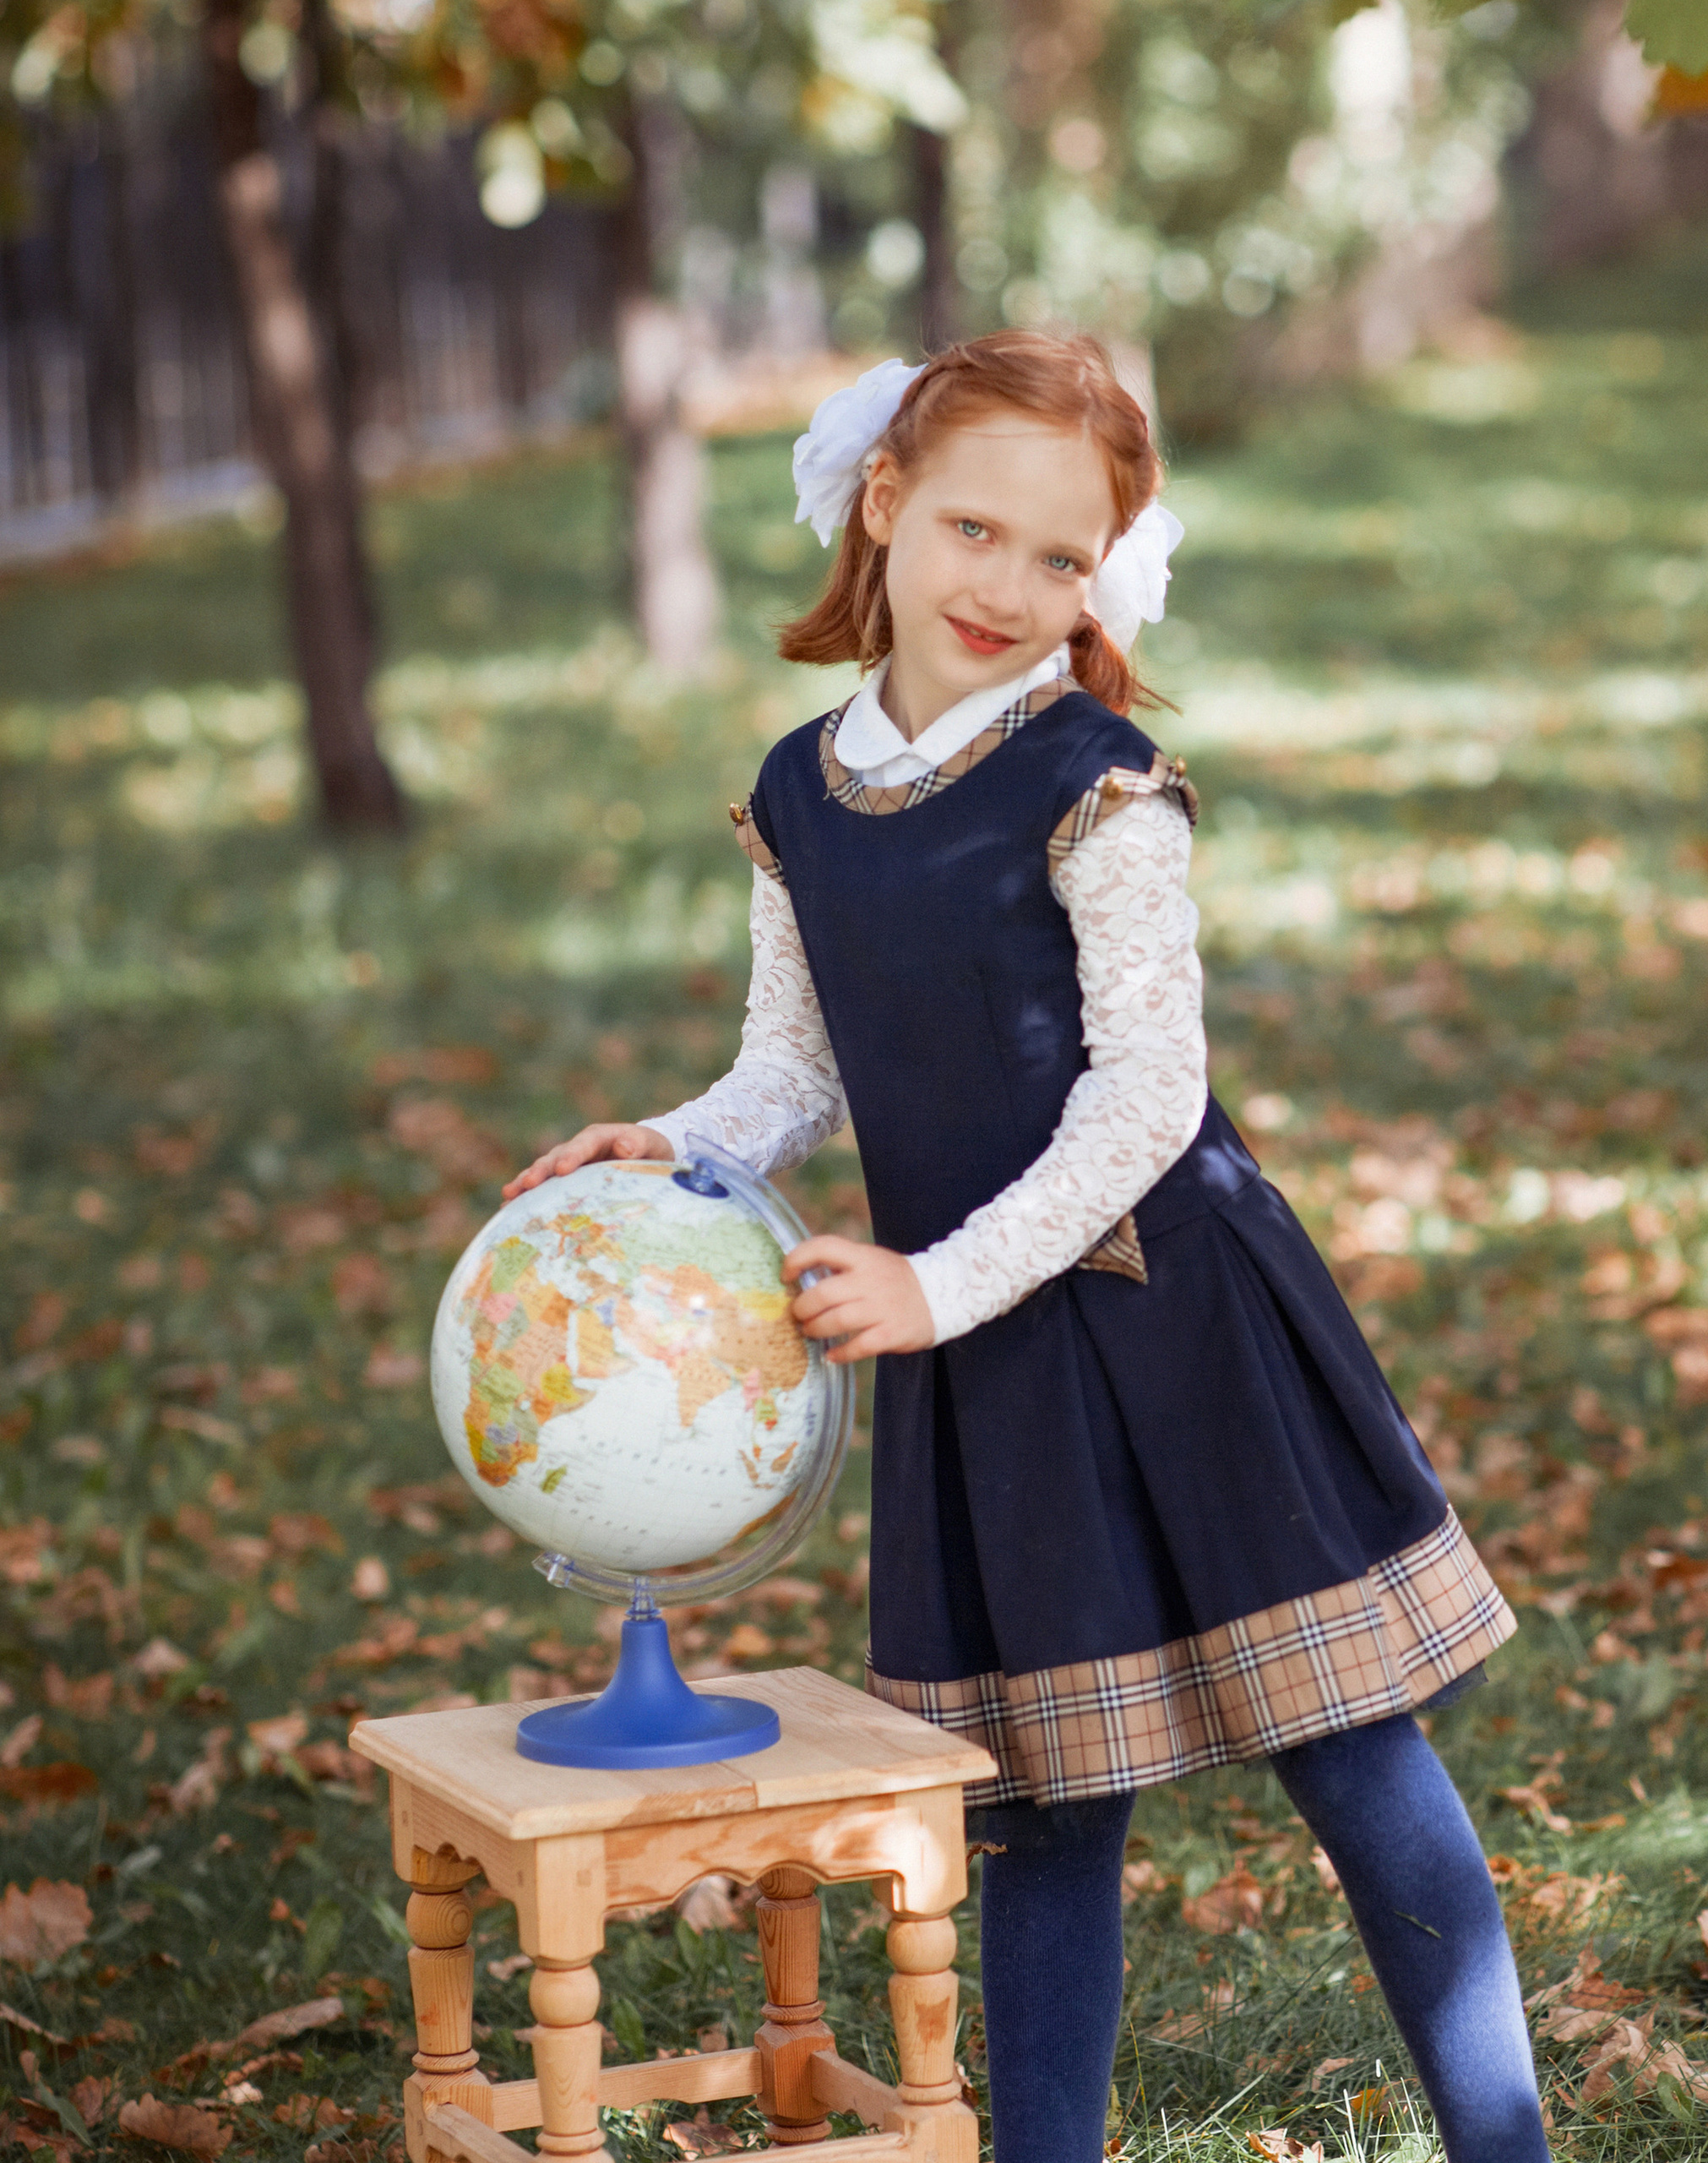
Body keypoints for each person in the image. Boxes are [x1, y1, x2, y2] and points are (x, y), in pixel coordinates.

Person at [503, 330, 1549, 2163]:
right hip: (982, 1363)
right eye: (972, 529)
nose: (1004, 586)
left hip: (1173, 1316)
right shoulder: (801, 790)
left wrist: (936, 1282)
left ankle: (1504, 2143)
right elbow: (798, 1064)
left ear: (1101, 578)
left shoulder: (1097, 781)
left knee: (1343, 1741)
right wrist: (678, 1140)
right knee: (1042, 1803)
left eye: (1059, 556)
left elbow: (1150, 1097)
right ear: (884, 502)